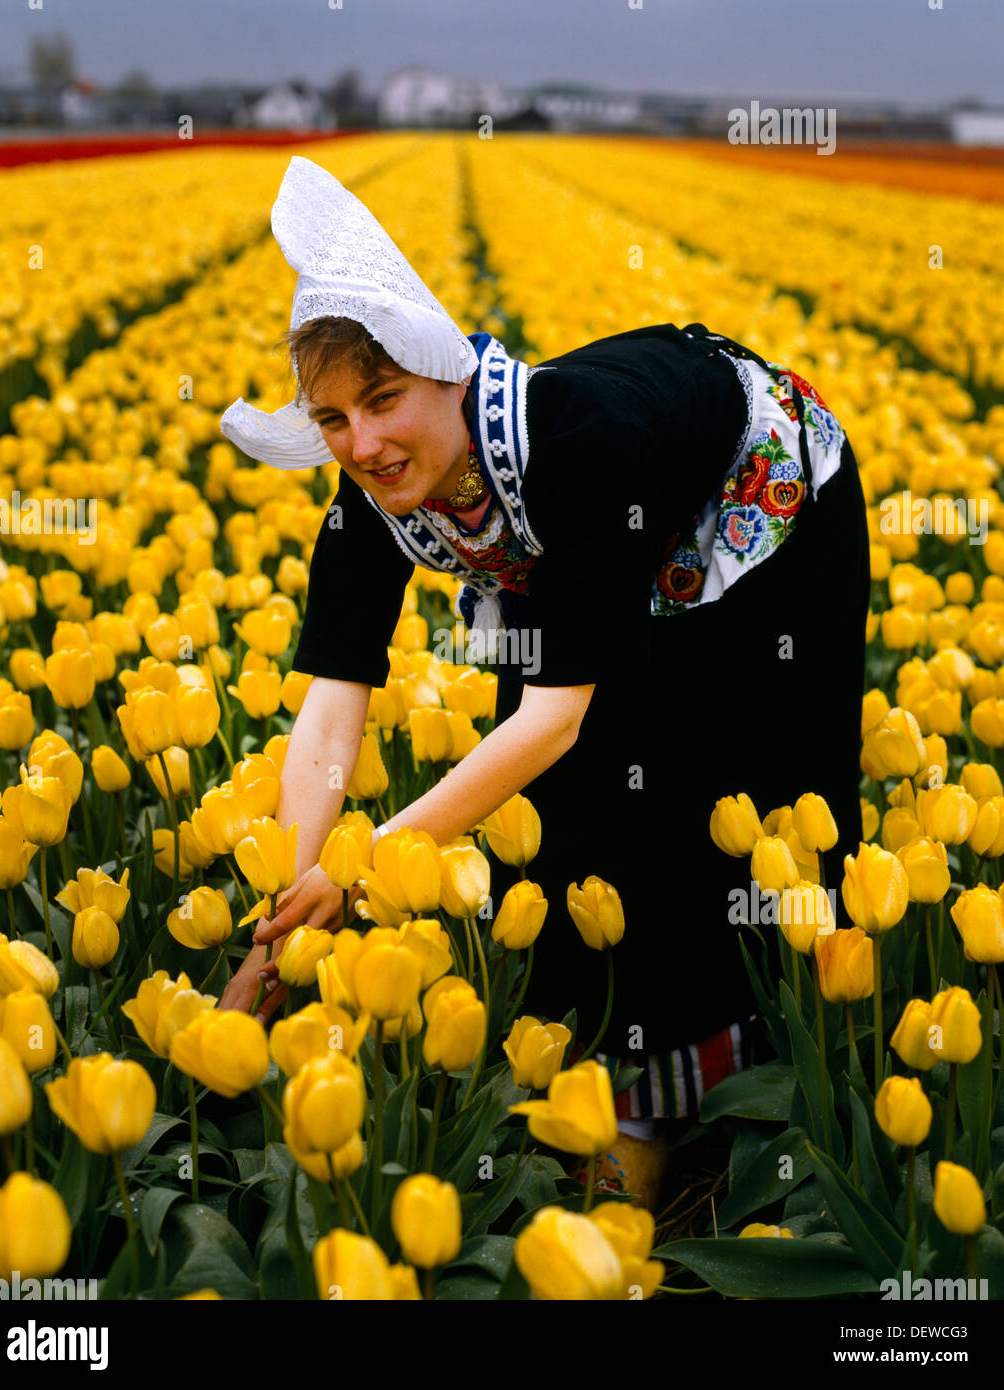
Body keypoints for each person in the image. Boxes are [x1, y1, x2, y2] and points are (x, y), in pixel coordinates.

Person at [217, 156, 870, 1212]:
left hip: (765, 514)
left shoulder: (579, 446)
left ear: (447, 376)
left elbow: (555, 720)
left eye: (382, 399)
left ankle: (732, 1090)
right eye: (332, 419)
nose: (362, 443)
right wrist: (288, 907)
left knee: (709, 790)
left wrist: (364, 872)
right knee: (551, 816)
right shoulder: (369, 497)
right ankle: (585, 1075)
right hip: (607, 542)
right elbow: (332, 708)